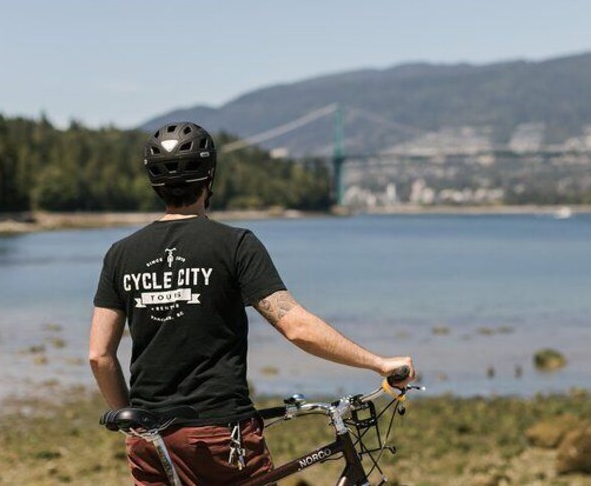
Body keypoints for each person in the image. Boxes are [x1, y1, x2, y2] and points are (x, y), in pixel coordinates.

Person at [88, 122, 415, 485]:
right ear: (210, 176)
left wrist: (132, 422)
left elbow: (99, 356)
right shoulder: (235, 245)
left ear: (154, 182)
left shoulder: (120, 255)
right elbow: (295, 325)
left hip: (150, 439)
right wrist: (378, 363)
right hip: (219, 434)